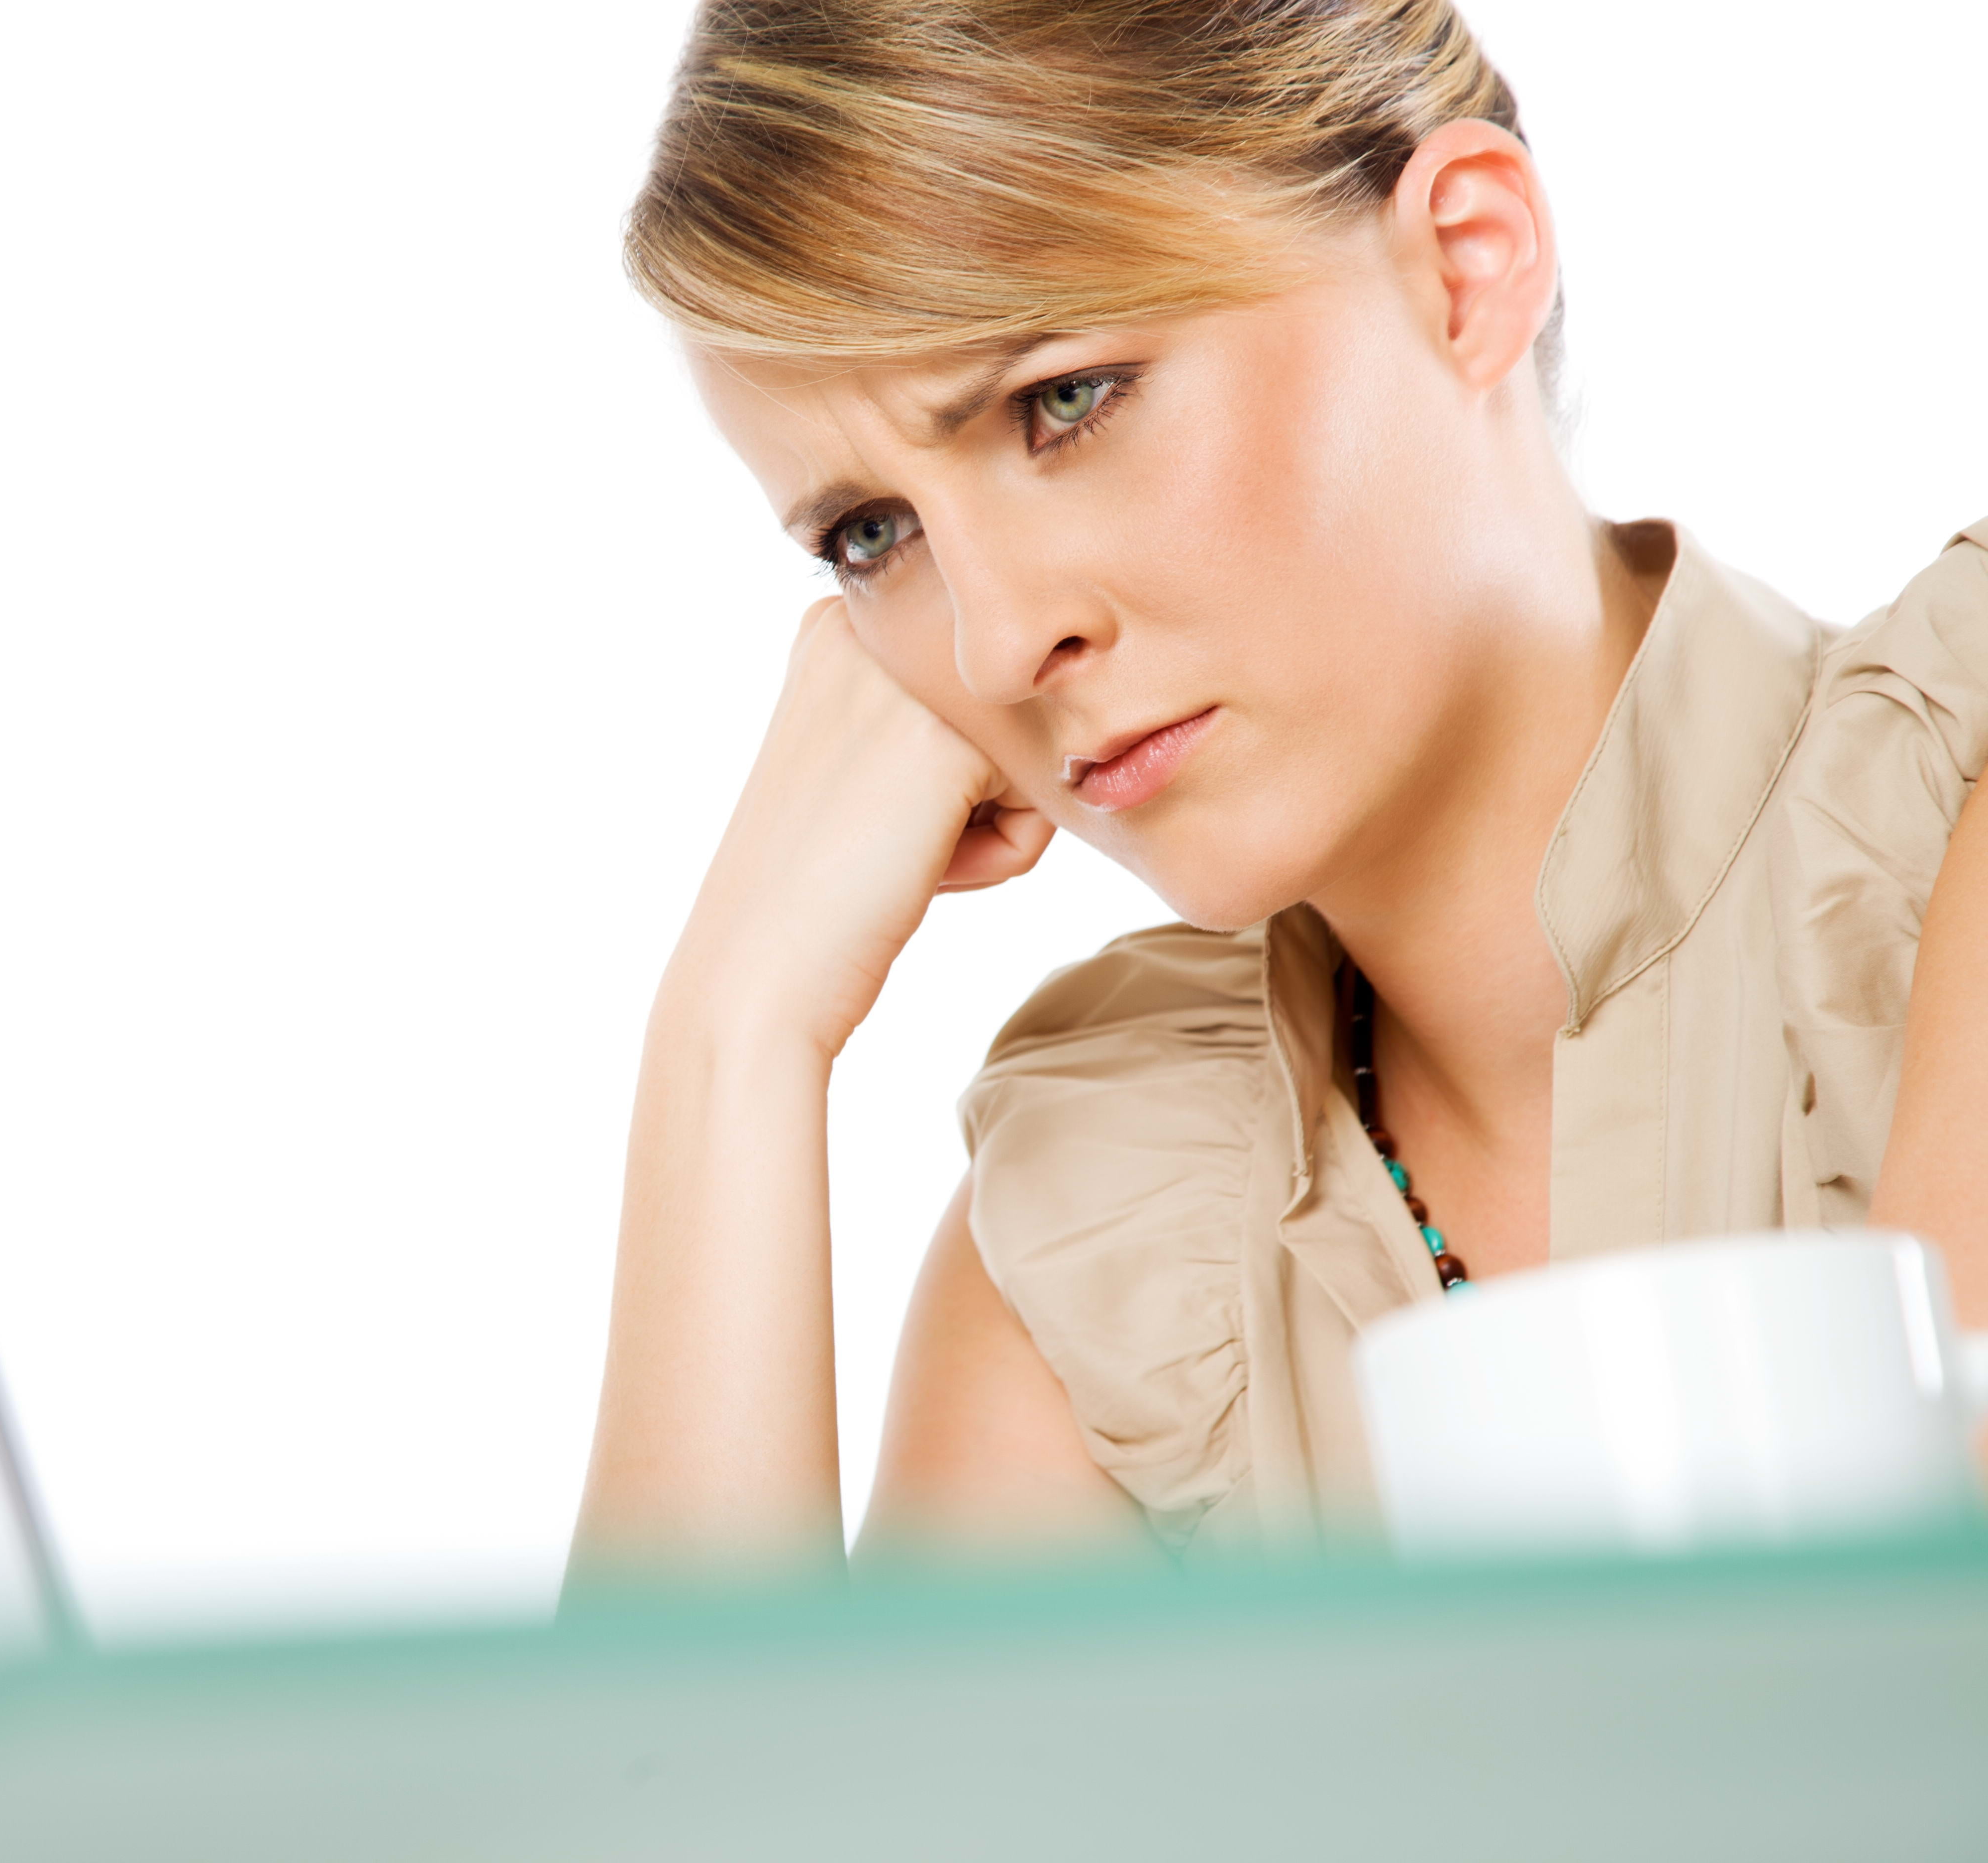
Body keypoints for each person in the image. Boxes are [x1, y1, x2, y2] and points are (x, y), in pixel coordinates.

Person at [567, 0, 1988, 1584]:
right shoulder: (1117, 1235)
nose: (997, 639)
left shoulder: (1960, 813)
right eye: (870, 535)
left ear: (1466, 265)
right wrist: (734, 1037)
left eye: (1064, 399)